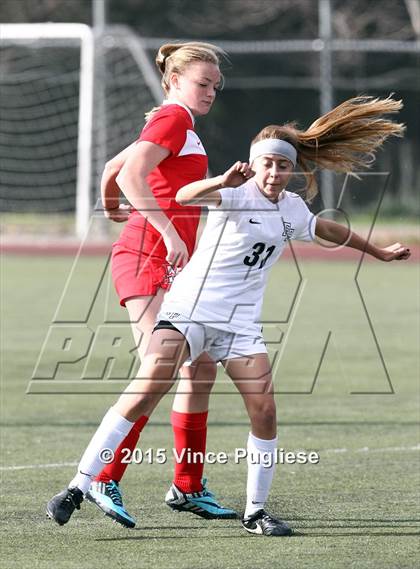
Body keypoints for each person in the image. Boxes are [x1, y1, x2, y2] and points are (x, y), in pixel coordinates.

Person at [47, 95, 410, 536]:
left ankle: (255, 512)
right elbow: (184, 194)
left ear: (292, 170)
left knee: (265, 411)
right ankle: (77, 486)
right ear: (253, 165)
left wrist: (377, 251)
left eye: (282, 165)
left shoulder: (291, 209)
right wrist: (221, 178)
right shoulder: (232, 194)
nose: (275, 172)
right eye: (268, 164)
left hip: (240, 326)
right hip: (190, 311)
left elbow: (327, 228)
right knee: (147, 387)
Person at [87, 41, 236, 528]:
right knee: (160, 368)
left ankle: (188, 487)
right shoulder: (173, 118)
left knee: (202, 366)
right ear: (173, 81)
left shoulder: (181, 125)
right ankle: (102, 477)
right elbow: (131, 173)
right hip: (149, 258)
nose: (211, 91)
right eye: (202, 83)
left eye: (215, 84)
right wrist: (167, 231)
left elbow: (114, 170)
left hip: (169, 262)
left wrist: (113, 208)